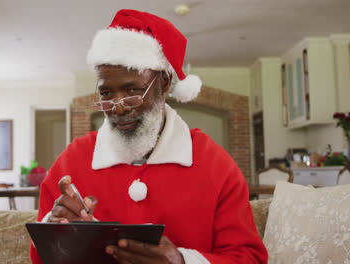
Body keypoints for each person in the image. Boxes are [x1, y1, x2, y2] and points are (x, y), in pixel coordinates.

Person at [30, 9, 268, 264]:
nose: (118, 107)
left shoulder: (215, 165)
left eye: (133, 89)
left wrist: (181, 261)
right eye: (106, 93)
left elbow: (249, 258)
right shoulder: (71, 163)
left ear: (164, 83)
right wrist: (55, 232)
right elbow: (40, 257)